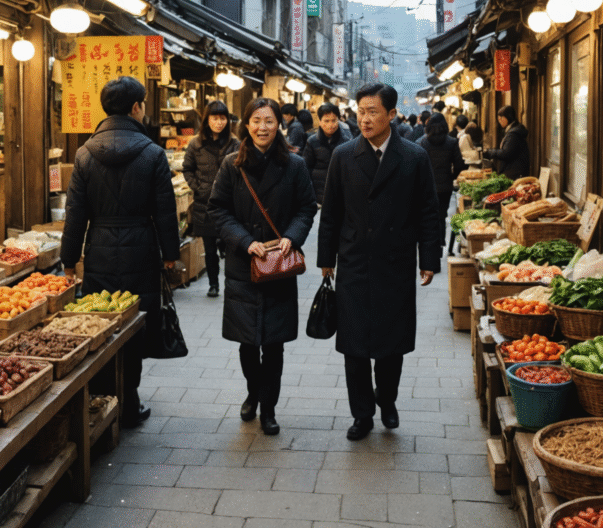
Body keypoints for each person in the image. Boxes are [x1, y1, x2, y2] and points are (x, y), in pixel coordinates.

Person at [317, 83, 441, 441]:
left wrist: (428, 259)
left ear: (391, 114)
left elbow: (428, 213)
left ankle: (387, 401)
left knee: (391, 345)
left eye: (373, 112)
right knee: (354, 346)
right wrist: (326, 258)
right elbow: (331, 213)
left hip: (395, 263)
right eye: (361, 112)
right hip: (354, 261)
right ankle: (362, 414)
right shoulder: (344, 155)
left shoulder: (414, 157)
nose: (365, 119)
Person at [61, 76, 181, 429]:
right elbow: (165, 210)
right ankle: (130, 401)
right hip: (141, 248)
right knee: (134, 326)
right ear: (135, 108)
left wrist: (69, 260)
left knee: (100, 323)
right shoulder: (152, 153)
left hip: (98, 247)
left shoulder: (84, 154)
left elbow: (75, 214)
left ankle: (103, 399)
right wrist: (170, 254)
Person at [208, 97, 318, 436]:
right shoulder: (232, 164)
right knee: (246, 343)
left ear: (278, 125)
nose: (262, 127)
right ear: (246, 124)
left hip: (278, 266)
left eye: (269, 120)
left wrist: (292, 236)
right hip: (243, 265)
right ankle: (253, 392)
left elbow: (306, 208)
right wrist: (244, 240)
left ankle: (268, 407)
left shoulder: (294, 165)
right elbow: (217, 209)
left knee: (273, 344)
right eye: (256, 120)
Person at [181, 100, 241, 298]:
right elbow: (187, 169)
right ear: (207, 120)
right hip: (204, 204)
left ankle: (233, 283)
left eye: (223, 118)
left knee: (231, 246)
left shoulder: (235, 144)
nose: (219, 122)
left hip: (229, 204)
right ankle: (213, 284)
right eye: (215, 118)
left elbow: (242, 170)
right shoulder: (196, 144)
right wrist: (198, 187)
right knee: (209, 248)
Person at [418, 111, 465, 239]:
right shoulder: (452, 142)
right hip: (445, 187)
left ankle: (431, 241)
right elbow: (459, 165)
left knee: (428, 215)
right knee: (442, 214)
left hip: (427, 187)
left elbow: (418, 167)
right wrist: (452, 176)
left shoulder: (422, 143)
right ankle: (441, 240)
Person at [302, 102, 352, 205]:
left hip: (340, 195)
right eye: (326, 121)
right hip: (317, 195)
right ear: (320, 121)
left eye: (334, 120)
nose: (330, 125)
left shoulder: (347, 142)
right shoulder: (312, 141)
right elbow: (306, 169)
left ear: (339, 120)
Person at [483, 105, 530, 179]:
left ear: (506, 118)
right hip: (515, 171)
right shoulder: (512, 130)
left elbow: (506, 153)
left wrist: (490, 152)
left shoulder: (513, 134)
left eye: (500, 118)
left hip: (514, 172)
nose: (499, 121)